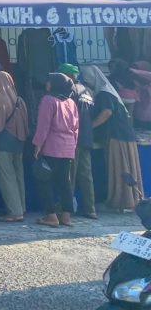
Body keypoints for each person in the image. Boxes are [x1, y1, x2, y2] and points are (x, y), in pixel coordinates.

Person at [84, 64, 144, 212]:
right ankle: (129, 199)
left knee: (120, 167)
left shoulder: (104, 94)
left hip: (118, 136)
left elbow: (106, 113)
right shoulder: (108, 91)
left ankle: (123, 200)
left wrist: (89, 127)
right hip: (123, 135)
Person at [33, 73, 79, 227]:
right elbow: (76, 128)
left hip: (52, 147)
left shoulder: (48, 100)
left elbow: (43, 126)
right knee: (64, 182)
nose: (47, 83)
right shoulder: (71, 102)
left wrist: (37, 145)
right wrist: (72, 146)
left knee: (44, 180)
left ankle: (51, 215)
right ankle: (66, 216)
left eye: (49, 81)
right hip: (68, 148)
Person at [0, 71, 29, 222]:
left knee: (6, 176)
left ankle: (14, 211)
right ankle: (21, 206)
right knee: (18, 175)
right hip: (19, 141)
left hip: (3, 141)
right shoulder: (19, 99)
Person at [59, 63, 97, 219]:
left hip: (73, 137)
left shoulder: (70, 91)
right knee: (86, 174)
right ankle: (90, 209)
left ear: (68, 76)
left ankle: (65, 209)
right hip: (86, 136)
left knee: (70, 174)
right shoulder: (86, 90)